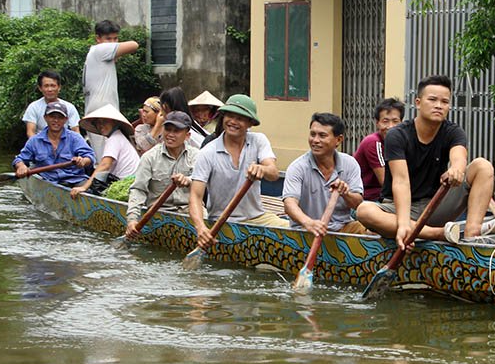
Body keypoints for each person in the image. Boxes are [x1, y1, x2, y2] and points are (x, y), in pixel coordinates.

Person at [356, 75, 495, 247]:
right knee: (364, 211)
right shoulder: (397, 135)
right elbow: (401, 181)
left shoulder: (453, 131)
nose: (438, 105)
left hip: (435, 205)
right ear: (418, 103)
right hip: (400, 209)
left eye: (444, 101)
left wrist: (456, 169)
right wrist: (403, 225)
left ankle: (472, 234)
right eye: (433, 100)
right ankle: (438, 234)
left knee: (482, 166)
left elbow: (459, 157)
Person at [189, 94, 288, 249]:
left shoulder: (258, 140)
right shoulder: (207, 153)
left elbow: (273, 173)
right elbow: (195, 196)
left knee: (296, 230)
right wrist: (201, 228)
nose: (233, 122)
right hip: (222, 222)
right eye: (229, 116)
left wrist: (262, 169)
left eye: (240, 118)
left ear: (250, 123)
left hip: (257, 217)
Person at [283, 113, 367, 236]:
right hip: (306, 231)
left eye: (322, 136)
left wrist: (345, 193)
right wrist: (309, 223)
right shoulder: (297, 167)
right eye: (313, 134)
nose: (315, 140)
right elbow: (289, 204)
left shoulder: (350, 163)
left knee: (373, 234)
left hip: (342, 227)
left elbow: (357, 204)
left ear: (338, 140)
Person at [124, 111, 199, 240]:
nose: (170, 135)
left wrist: (188, 180)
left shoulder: (197, 155)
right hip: (159, 214)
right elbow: (138, 190)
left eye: (176, 131)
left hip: (191, 211)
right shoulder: (149, 157)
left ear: (187, 135)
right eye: (168, 129)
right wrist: (132, 220)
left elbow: (203, 181)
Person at [83, 19, 139, 157]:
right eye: (108, 39)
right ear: (98, 39)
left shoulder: (95, 54)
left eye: (115, 38)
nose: (113, 43)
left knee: (111, 152)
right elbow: (134, 45)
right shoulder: (100, 50)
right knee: (105, 156)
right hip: (102, 113)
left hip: (101, 110)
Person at [13, 101, 95, 186]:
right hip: (47, 181)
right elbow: (19, 159)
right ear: (45, 118)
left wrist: (83, 161)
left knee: (88, 189)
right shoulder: (35, 140)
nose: (56, 120)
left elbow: (90, 156)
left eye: (60, 117)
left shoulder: (75, 138)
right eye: (52, 117)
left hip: (75, 179)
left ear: (65, 119)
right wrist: (21, 166)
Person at [70, 104, 141, 198]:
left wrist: (84, 187)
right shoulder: (116, 137)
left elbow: (105, 165)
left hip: (127, 185)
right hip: (126, 182)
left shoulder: (115, 138)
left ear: (113, 122)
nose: (101, 125)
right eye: (97, 123)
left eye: (104, 122)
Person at [353, 97, 404, 201]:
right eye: (385, 121)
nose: (390, 126)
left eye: (395, 121)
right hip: (367, 198)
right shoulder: (373, 142)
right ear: (377, 123)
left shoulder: (401, 142)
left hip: (385, 195)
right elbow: (385, 182)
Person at [21, 70, 80, 138]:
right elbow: (30, 132)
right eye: (46, 86)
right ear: (40, 88)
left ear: (59, 87)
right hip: (40, 142)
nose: (50, 89)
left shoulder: (69, 107)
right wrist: (37, 144)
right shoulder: (33, 107)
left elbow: (76, 131)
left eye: (53, 86)